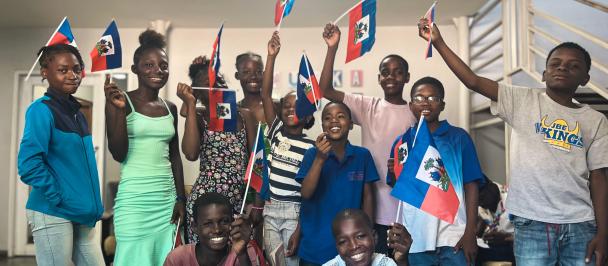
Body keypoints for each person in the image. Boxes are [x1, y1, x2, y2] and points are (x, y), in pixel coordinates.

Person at [418, 19, 607, 265]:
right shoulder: (522, 100)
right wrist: (439, 42)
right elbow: (473, 81)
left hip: (580, 224)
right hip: (532, 223)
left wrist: (603, 232)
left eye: (573, 66)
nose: (563, 68)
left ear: (585, 78)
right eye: (555, 64)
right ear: (544, 73)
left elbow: (600, 177)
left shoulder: (595, 120)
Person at [319, 23, 417, 254]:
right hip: (374, 212)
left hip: (409, 211)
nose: (391, 76)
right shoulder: (368, 106)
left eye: (397, 72)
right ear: (379, 78)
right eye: (385, 72)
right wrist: (332, 48)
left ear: (407, 77)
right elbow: (325, 90)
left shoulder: (416, 112)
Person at [105, 30, 186, 265]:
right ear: (135, 69)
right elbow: (118, 153)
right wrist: (119, 111)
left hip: (166, 201)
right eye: (148, 65)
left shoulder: (169, 107)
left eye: (163, 65)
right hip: (134, 200)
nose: (157, 70)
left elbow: (175, 157)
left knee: (166, 258)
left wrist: (180, 198)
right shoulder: (120, 101)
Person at [18, 44, 104, 266]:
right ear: (45, 73)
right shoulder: (41, 110)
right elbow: (28, 164)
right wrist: (59, 197)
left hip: (80, 213)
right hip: (53, 211)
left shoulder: (78, 114)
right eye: (63, 70)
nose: (72, 75)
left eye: (76, 69)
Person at [387, 77, 484, 265]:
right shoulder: (401, 143)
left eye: (433, 98)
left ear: (442, 105)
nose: (425, 102)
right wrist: (394, 173)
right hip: (415, 238)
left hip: (454, 236)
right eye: (419, 98)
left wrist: (470, 232)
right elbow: (401, 189)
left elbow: (471, 186)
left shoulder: (459, 138)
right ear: (410, 105)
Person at [177, 56, 255, 244]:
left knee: (238, 256)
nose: (214, 87)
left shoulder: (244, 115)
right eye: (207, 85)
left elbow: (256, 162)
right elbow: (191, 153)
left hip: (239, 203)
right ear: (199, 93)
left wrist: (255, 201)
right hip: (207, 207)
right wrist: (190, 103)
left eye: (217, 81)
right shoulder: (199, 117)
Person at [296, 102, 379, 265]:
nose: (334, 121)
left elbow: (368, 196)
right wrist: (320, 159)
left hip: (351, 247)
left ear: (351, 124)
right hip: (315, 246)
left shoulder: (362, 155)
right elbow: (305, 194)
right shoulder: (312, 154)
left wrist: (368, 232)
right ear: (323, 125)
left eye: (340, 116)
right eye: (328, 118)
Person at [258, 31, 316, 266]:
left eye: (297, 106)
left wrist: (300, 228)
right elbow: (264, 94)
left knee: (291, 262)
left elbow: (309, 194)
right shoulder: (276, 132)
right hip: (270, 210)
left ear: (307, 115)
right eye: (286, 106)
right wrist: (271, 57)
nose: (291, 110)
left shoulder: (311, 147)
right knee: (274, 261)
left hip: (295, 212)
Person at [163, 192, 265, 266]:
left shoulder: (245, 252)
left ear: (232, 222)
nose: (217, 230)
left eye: (224, 221)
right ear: (194, 227)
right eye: (208, 224)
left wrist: (242, 254)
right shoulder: (177, 258)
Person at [324, 209, 412, 266]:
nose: (354, 246)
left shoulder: (386, 264)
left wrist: (402, 261)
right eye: (343, 241)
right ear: (337, 247)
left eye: (360, 236)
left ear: (374, 237)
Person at [476, 175, 514, 265]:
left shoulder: (511, 199)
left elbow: (530, 237)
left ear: (492, 187)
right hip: (495, 245)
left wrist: (506, 238)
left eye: (482, 196)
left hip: (514, 245)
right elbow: (481, 230)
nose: (481, 202)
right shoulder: (484, 203)